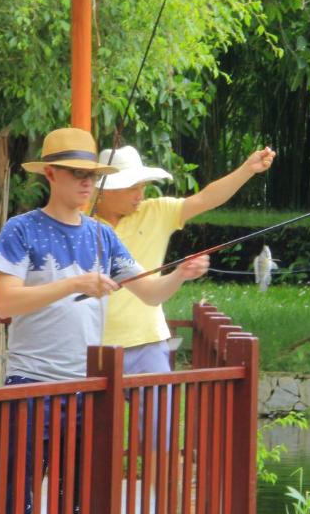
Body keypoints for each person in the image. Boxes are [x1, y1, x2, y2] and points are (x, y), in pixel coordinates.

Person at [0, 127, 209, 514]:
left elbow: (149, 293)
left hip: (85, 388)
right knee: (14, 508)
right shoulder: (20, 229)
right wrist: (74, 283)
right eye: (77, 173)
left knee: (76, 508)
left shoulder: (103, 236)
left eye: (91, 174)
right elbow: (5, 302)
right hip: (29, 384)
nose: (86, 182)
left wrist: (180, 274)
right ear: (50, 174)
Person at [94, 144, 275, 375]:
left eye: (142, 186)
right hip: (93, 345)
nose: (140, 195)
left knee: (158, 401)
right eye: (132, 188)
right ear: (107, 189)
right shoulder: (82, 224)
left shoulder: (156, 211)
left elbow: (206, 198)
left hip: (148, 341)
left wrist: (247, 169)